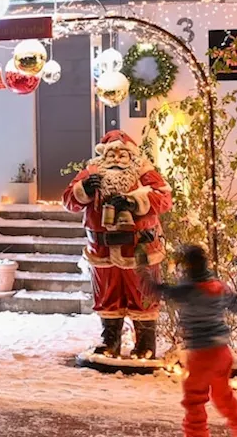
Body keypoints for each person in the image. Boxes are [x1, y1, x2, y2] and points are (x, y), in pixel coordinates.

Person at [139, 244, 237, 437]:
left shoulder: (187, 290)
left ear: (189, 267)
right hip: (222, 354)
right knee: (224, 398)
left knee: (194, 401)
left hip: (201, 355)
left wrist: (143, 268)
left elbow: (157, 289)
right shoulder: (219, 287)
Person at [63, 130, 172, 358]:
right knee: (107, 296)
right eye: (111, 153)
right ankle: (110, 341)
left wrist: (134, 201)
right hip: (102, 250)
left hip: (138, 248)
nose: (116, 157)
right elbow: (69, 201)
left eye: (122, 153)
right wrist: (85, 188)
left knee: (142, 295)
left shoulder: (143, 171)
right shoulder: (92, 172)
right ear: (103, 155)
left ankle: (145, 344)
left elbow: (164, 198)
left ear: (130, 154)